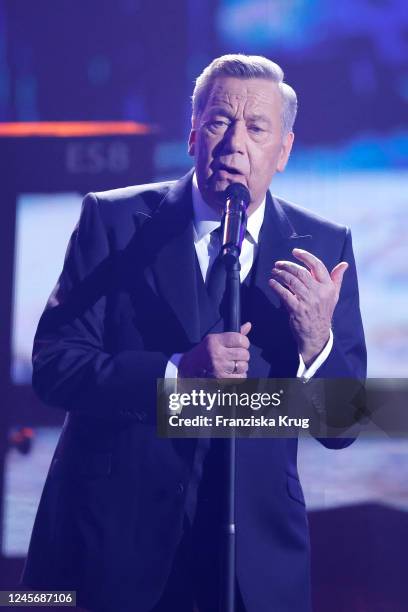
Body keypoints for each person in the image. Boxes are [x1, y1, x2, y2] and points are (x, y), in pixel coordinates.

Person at [21, 54, 366, 611]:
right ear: (192, 135)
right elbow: (55, 365)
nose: (234, 143)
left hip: (251, 561)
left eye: (257, 128)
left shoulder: (322, 249)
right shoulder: (113, 222)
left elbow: (344, 426)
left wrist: (316, 342)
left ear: (284, 151)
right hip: (116, 543)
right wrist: (176, 374)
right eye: (218, 122)